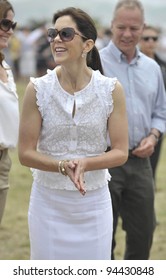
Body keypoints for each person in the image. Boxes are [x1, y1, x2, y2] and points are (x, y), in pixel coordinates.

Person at [18, 7, 128, 260]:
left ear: (87, 44)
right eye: (53, 33)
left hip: (94, 205)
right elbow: (25, 154)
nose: (56, 39)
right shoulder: (37, 89)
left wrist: (87, 163)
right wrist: (61, 165)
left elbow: (121, 152)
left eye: (65, 34)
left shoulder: (111, 90)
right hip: (48, 203)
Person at [100, 0, 166, 260]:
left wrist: (153, 136)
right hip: (103, 162)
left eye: (134, 28)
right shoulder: (94, 63)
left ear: (143, 27)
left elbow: (160, 112)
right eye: (121, 27)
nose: (127, 34)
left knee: (144, 233)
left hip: (141, 163)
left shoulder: (152, 69)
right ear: (111, 26)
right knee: (104, 237)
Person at [139, 25, 166, 184]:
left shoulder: (163, 67)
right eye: (146, 38)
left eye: (153, 38)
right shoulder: (129, 64)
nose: (150, 42)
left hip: (156, 125)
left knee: (152, 168)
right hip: (133, 124)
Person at [0, 0, 19, 224]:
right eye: (5, 23)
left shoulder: (6, 68)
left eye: (13, 25)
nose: (10, 30)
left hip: (4, 160)